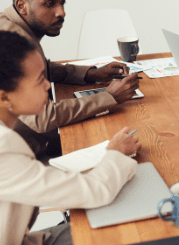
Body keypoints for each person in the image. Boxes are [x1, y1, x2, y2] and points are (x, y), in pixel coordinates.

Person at [0, 30, 141, 245]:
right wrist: (116, 153)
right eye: (40, 81)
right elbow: (96, 191)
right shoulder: (4, 148)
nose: (48, 86)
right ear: (4, 95)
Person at [0, 0, 140, 157]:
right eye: (50, 3)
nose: (61, 12)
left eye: (62, 2)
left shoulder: (16, 29)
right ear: (21, 5)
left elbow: (39, 68)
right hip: (29, 156)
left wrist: (92, 73)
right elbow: (42, 118)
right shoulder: (8, 40)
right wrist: (109, 97)